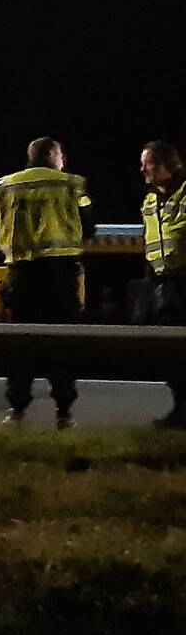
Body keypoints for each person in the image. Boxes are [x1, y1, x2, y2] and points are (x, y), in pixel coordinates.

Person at [0, 137, 95, 429]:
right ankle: (64, 412)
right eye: (61, 154)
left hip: (22, 276)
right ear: (53, 155)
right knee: (62, 346)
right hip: (60, 277)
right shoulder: (72, 185)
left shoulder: (4, 187)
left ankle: (17, 410)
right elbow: (89, 227)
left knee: (21, 346)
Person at [137, 140, 186, 428]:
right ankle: (181, 408)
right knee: (171, 355)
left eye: (149, 163)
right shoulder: (150, 200)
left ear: (168, 165)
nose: (143, 168)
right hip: (164, 284)